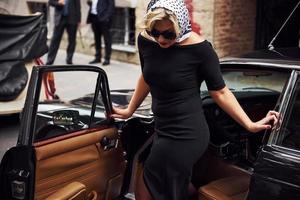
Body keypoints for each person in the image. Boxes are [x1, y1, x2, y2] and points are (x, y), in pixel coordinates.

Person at [112, 0, 279, 199]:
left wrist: (250, 125)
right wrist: (129, 110)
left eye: (169, 34)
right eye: (156, 33)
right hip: (162, 129)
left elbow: (220, 92)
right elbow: (147, 76)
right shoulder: (146, 40)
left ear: (181, 26)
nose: (161, 40)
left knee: (153, 186)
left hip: (188, 133)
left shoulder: (201, 50)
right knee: (169, 185)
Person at [46, 0, 81, 65]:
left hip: (72, 19)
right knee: (55, 40)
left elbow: (78, 6)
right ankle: (49, 61)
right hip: (60, 18)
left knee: (72, 40)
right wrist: (58, 3)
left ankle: (69, 60)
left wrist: (78, 20)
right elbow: (50, 2)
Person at [87, 0, 115, 65]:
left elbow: (111, 7)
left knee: (107, 40)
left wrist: (106, 18)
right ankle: (98, 57)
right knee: (97, 39)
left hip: (104, 19)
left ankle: (107, 59)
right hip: (94, 17)